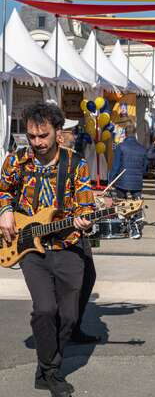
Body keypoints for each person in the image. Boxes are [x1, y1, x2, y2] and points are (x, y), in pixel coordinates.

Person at [0, 103, 95, 397]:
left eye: (43, 135)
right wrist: (4, 210)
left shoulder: (75, 163)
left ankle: (45, 368)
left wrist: (85, 221)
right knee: (45, 309)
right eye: (32, 136)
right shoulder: (17, 161)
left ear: (58, 132)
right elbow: (3, 189)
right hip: (29, 248)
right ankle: (52, 371)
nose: (38, 142)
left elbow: (86, 205)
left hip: (67, 244)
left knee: (68, 316)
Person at [57, 119, 101, 346]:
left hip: (77, 228)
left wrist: (94, 201)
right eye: (71, 131)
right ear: (59, 135)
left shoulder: (75, 160)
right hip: (61, 231)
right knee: (72, 281)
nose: (75, 134)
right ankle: (64, 329)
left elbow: (80, 193)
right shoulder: (63, 161)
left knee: (87, 276)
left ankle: (72, 327)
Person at [109, 123, 147, 203]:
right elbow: (144, 168)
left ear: (125, 134)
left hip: (122, 181)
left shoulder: (120, 146)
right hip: (137, 181)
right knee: (137, 206)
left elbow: (116, 166)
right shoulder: (142, 148)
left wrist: (111, 180)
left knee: (121, 205)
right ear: (135, 133)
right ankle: (137, 215)